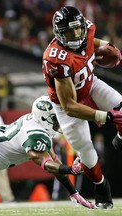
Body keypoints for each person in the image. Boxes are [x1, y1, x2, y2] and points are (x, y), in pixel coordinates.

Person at [42, 6, 122, 209]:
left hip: (89, 83)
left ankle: (120, 140)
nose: (76, 34)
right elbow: (70, 106)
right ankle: (101, 186)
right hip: (66, 103)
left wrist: (107, 46)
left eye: (78, 29)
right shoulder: (56, 58)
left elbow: (90, 42)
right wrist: (107, 117)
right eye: (70, 31)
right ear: (59, 32)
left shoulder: (87, 29)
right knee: (86, 151)